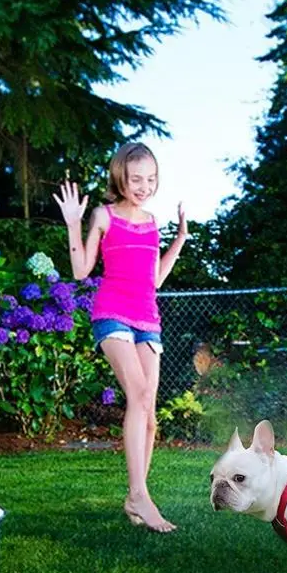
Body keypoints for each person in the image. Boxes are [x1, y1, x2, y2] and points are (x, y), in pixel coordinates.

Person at [54, 142, 188, 533]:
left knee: (150, 417)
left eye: (151, 179)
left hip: (148, 318)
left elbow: (155, 280)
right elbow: (81, 271)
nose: (144, 187)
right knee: (139, 394)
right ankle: (140, 494)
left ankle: (135, 498)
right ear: (120, 178)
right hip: (112, 313)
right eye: (136, 179)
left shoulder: (152, 222)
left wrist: (179, 239)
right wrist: (73, 223)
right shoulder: (104, 215)